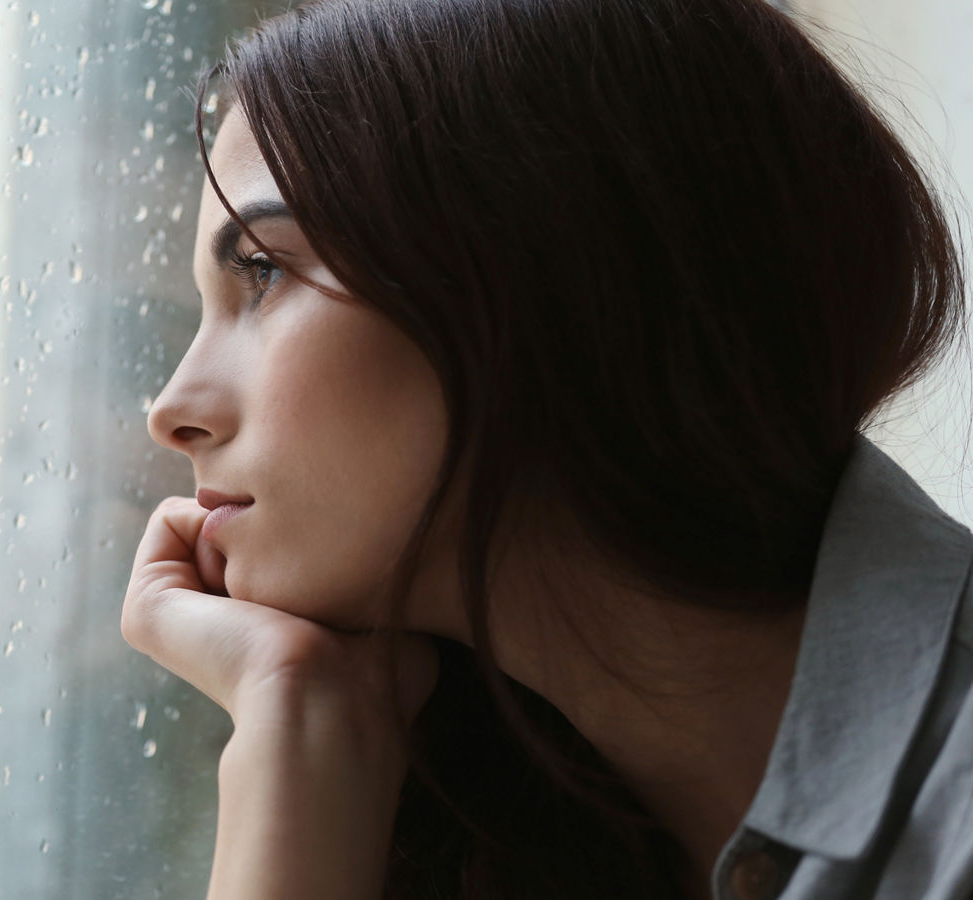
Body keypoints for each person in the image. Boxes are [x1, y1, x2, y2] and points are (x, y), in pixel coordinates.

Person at [118, 0, 973, 898]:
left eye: (262, 271)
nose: (172, 411)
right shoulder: (480, 804)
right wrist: (296, 718)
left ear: (555, 264)